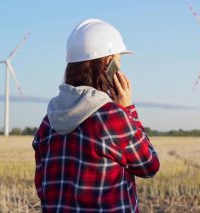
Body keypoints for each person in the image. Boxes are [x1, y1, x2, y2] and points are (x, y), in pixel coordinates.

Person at [32, 18, 160, 213]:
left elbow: (43, 188)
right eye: (118, 61)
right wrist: (128, 110)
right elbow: (149, 165)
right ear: (109, 63)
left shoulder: (48, 121)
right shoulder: (111, 117)